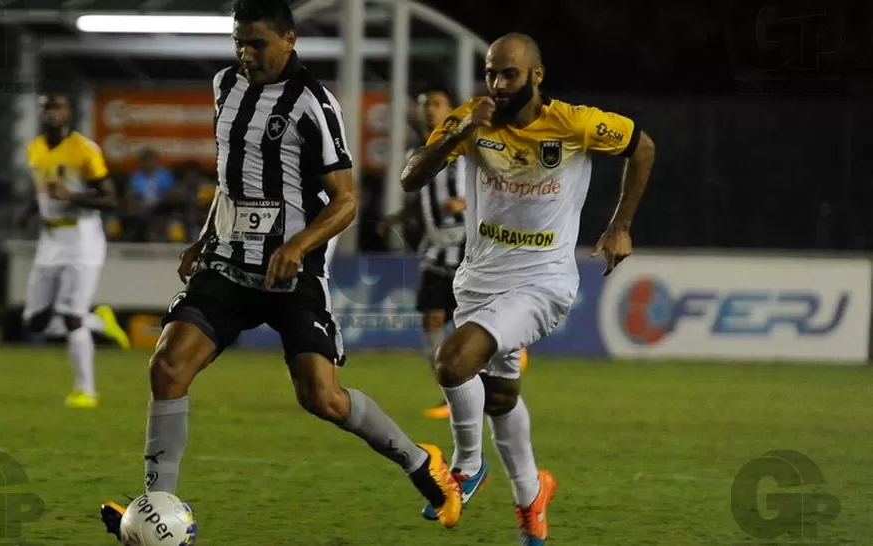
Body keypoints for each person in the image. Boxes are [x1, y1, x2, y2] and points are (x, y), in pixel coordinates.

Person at [99, 0, 463, 538]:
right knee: (167, 367)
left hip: (291, 275)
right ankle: (156, 506)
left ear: (289, 40)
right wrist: (204, 237)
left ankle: (420, 462)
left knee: (322, 397)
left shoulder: (313, 103)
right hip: (226, 263)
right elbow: (232, 179)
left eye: (257, 44)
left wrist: (299, 244)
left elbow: (346, 199)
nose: (246, 54)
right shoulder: (225, 86)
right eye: (238, 42)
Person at [400, 33, 656, 545]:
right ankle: (530, 497)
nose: (497, 84)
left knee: (452, 362)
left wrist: (620, 225)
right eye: (491, 73)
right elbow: (411, 177)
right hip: (478, 279)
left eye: (509, 74)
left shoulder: (575, 123)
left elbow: (643, 146)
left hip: (542, 282)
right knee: (500, 397)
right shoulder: (473, 118)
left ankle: (467, 466)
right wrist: (457, 136)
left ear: (536, 75)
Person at [383, 85, 530, 425]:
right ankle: (451, 392)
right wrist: (399, 218)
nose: (429, 110)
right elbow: (422, 200)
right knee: (432, 319)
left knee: (472, 317)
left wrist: (467, 204)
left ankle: (508, 346)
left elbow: (498, 181)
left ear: (452, 108)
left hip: (466, 244)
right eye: (424, 104)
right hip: (435, 248)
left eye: (436, 103)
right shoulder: (419, 151)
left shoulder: (469, 147)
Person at [18, 92, 131, 410]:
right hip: (49, 240)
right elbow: (41, 188)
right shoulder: (35, 148)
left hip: (81, 240)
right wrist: (29, 211)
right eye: (46, 108)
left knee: (69, 317)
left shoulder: (84, 150)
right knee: (35, 322)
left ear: (68, 112)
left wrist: (71, 195)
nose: (51, 113)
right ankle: (98, 322)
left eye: (57, 107)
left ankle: (86, 391)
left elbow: (110, 200)